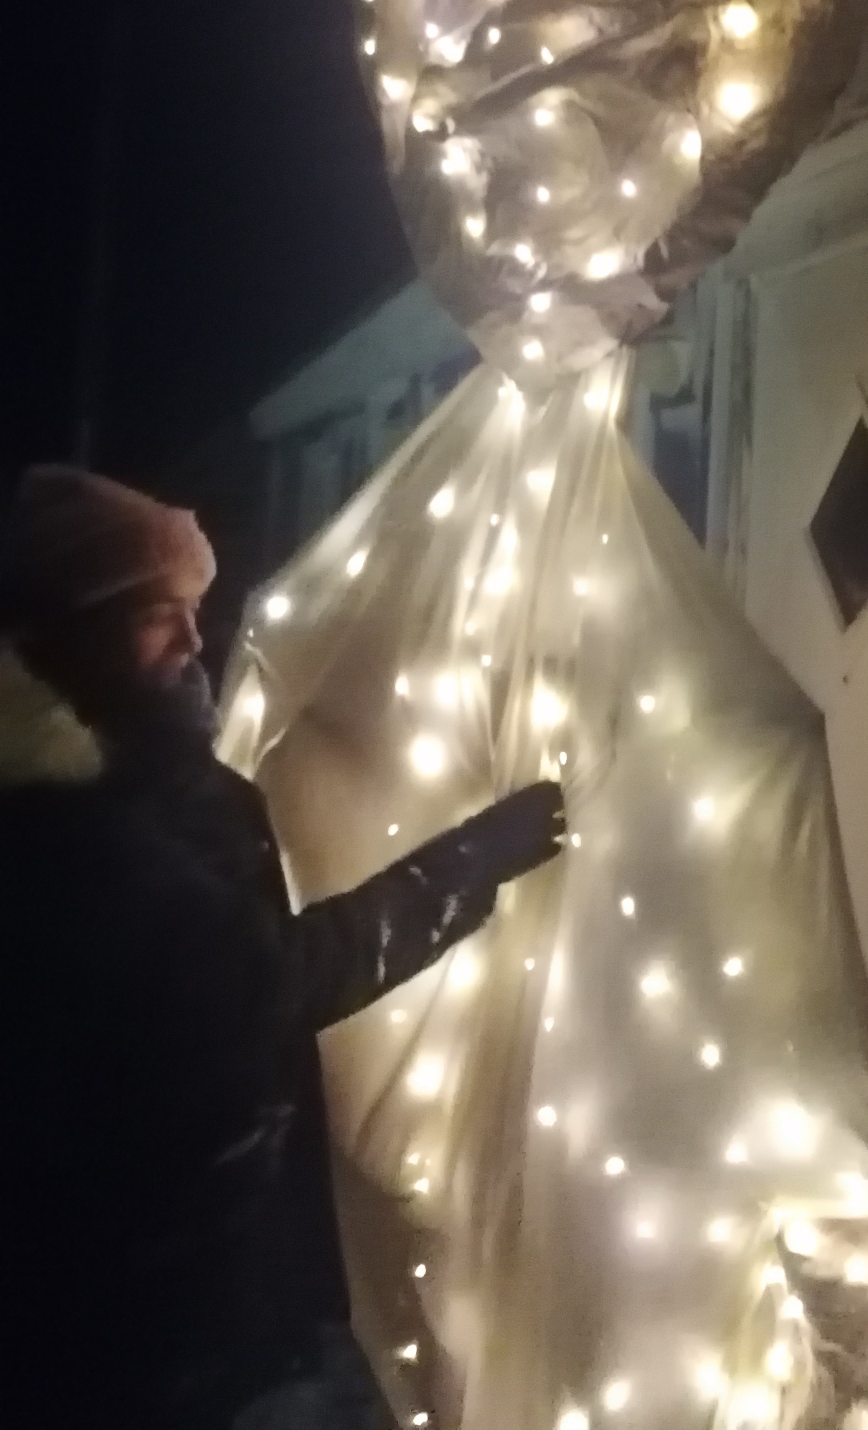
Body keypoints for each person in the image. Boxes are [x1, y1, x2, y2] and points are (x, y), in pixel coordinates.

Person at [0, 465, 566, 1430]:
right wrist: (462, 867)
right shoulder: (65, 829)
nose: (194, 641)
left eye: (194, 612)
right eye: (158, 617)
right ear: (73, 639)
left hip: (220, 1300)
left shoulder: (162, 778)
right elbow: (264, 984)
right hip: (154, 1334)